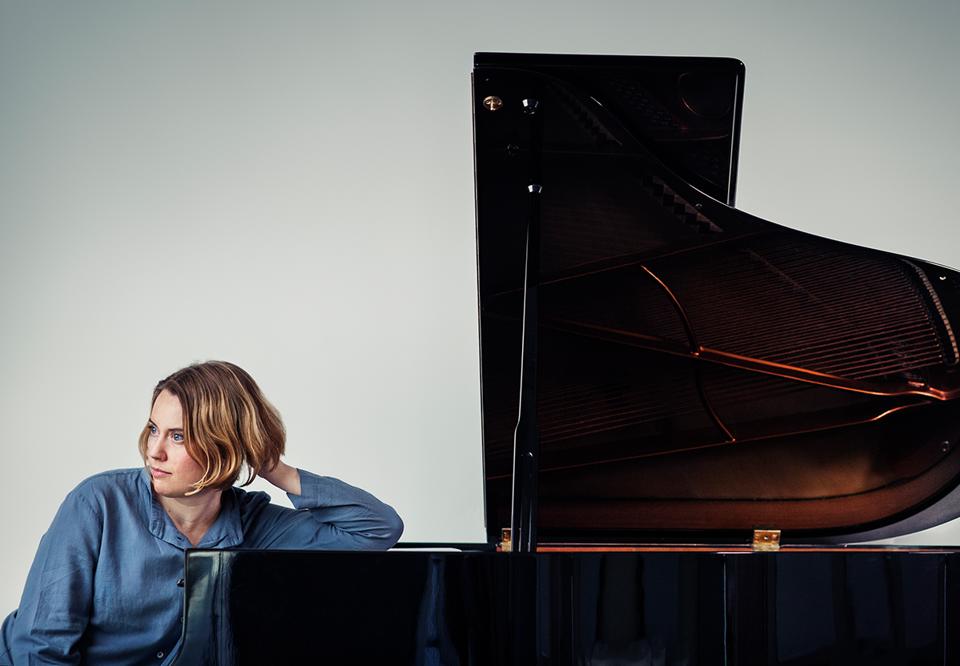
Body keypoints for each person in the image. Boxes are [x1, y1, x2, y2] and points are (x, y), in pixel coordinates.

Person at [0, 361, 403, 665]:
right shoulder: (97, 503)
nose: (154, 451)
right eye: (154, 429)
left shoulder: (255, 524)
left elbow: (377, 529)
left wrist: (271, 467)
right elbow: (41, 647)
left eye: (177, 436)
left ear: (226, 446)